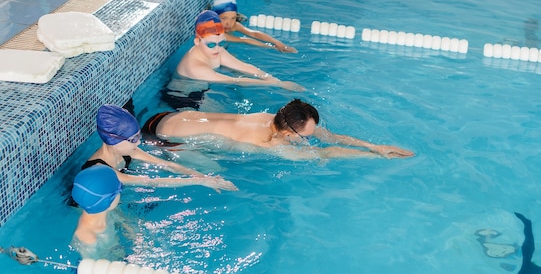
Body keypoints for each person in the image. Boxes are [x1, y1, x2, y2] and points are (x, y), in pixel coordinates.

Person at [142, 99, 414, 160]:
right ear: (288, 134)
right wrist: (377, 156)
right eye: (305, 136)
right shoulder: (271, 144)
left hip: (170, 115)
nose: (312, 137)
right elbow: (327, 152)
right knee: (218, 173)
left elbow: (327, 137)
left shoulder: (274, 117)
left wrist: (372, 144)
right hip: (159, 138)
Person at [86, 104, 237, 192]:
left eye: (138, 136)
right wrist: (198, 182)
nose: (138, 143)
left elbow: (168, 165)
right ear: (113, 140)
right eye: (133, 139)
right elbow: (150, 182)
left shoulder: (128, 150)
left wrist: (203, 177)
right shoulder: (100, 170)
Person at [175, 10, 303, 91]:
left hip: (205, 86)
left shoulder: (216, 50)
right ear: (197, 41)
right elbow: (234, 81)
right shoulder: (196, 67)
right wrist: (277, 85)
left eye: (222, 43)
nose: (218, 48)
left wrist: (272, 78)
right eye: (211, 44)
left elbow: (245, 67)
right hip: (184, 97)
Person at [211, 0, 297, 53]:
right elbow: (245, 40)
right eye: (224, 18)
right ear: (215, 17)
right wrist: (272, 47)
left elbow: (253, 34)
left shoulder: (234, 25)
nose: (228, 23)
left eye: (233, 18)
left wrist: (277, 42)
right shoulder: (215, 31)